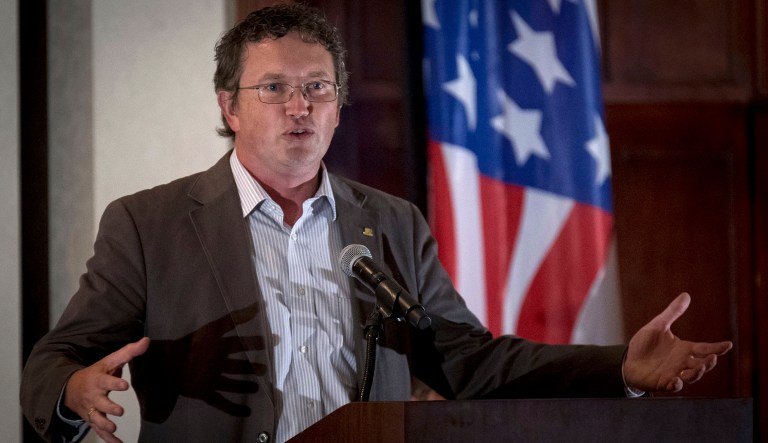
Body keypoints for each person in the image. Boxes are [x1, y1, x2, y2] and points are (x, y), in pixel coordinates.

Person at [20, 4, 732, 443]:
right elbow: (52, 362)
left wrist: (620, 367)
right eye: (274, 89)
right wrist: (74, 390)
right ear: (230, 106)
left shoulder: (390, 222)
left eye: (318, 88)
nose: (299, 107)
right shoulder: (151, 223)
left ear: (338, 107)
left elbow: (469, 360)